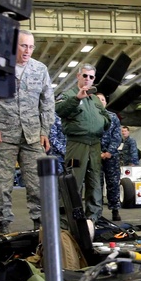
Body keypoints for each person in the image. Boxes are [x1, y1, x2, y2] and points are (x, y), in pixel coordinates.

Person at [0, 30, 54, 233]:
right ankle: (3, 226)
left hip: (33, 135)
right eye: (23, 46)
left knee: (38, 183)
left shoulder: (40, 69)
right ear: (13, 46)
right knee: (2, 185)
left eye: (31, 46)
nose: (27, 50)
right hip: (4, 136)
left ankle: (40, 226)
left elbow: (47, 102)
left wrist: (45, 130)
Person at [55, 64, 111, 222]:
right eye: (85, 75)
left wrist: (102, 122)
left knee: (95, 181)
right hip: (77, 144)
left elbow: (106, 116)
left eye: (91, 77)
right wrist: (76, 99)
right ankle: (70, 219)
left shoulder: (95, 99)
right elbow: (60, 110)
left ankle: (93, 218)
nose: (88, 79)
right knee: (74, 181)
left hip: (95, 144)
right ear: (78, 76)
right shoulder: (68, 95)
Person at [96, 93, 123, 221]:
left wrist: (109, 152)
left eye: (102, 99)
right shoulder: (89, 117)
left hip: (111, 156)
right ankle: (97, 211)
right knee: (96, 184)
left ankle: (115, 209)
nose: (100, 101)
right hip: (95, 155)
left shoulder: (113, 117)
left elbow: (117, 136)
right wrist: (98, 153)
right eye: (97, 99)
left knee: (113, 183)